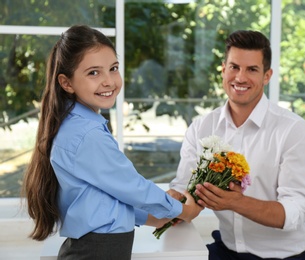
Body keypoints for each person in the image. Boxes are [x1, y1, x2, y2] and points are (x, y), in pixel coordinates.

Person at [22, 24, 202, 260]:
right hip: (97, 250)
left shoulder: (80, 125)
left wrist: (153, 217)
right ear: (67, 83)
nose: (108, 81)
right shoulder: (87, 133)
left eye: (113, 68)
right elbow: (131, 186)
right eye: (93, 73)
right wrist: (182, 210)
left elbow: (106, 197)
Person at [168, 30, 305, 259]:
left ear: (267, 76)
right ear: (223, 69)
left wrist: (238, 203)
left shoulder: (294, 131)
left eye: (252, 70)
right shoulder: (201, 127)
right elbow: (184, 189)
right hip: (226, 249)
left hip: (284, 256)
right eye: (234, 67)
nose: (240, 77)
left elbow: (295, 212)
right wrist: (171, 200)